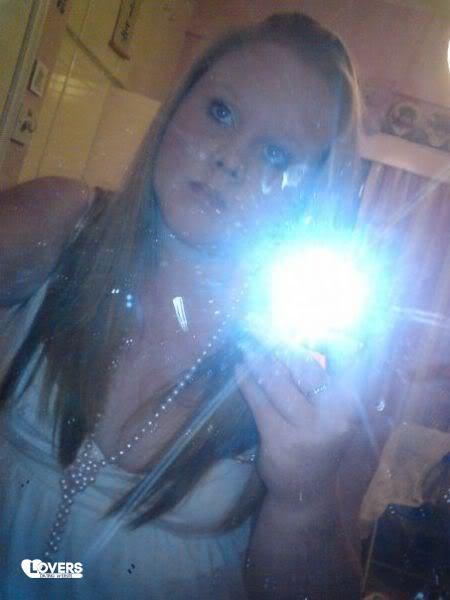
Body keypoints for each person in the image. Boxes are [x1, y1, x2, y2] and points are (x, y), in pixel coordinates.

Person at [0, 12, 381, 599]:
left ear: (311, 200)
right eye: (221, 112)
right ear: (176, 108)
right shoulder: (57, 220)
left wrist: (301, 497)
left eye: (277, 155)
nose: (230, 158)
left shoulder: (318, 378)